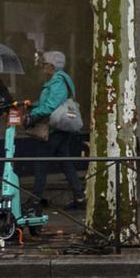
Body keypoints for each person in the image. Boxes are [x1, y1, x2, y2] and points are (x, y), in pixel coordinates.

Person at [23, 50, 85, 210]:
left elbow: (51, 105)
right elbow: (49, 102)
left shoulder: (58, 81)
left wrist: (33, 114)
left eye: (44, 64)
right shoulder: (59, 79)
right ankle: (79, 197)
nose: (42, 67)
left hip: (55, 129)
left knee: (40, 162)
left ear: (51, 65)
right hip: (59, 129)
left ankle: (35, 200)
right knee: (65, 163)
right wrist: (33, 105)